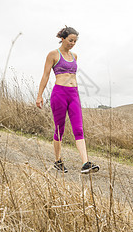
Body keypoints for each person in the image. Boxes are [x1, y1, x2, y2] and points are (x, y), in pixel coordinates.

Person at [36, 26, 99, 174]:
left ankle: (85, 163)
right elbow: (45, 76)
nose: (72, 43)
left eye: (75, 41)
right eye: (70, 40)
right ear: (62, 39)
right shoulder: (53, 54)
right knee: (60, 129)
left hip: (74, 94)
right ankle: (58, 161)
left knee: (78, 128)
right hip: (59, 93)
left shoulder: (74, 56)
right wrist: (39, 95)